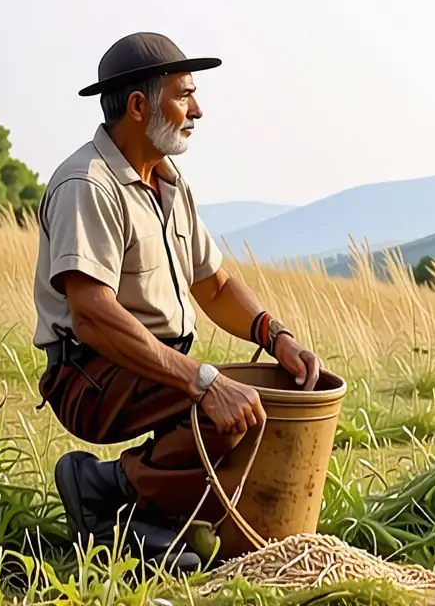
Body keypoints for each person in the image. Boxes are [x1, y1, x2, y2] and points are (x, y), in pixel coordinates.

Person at [33, 32, 326, 572]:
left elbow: (212, 285)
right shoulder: (87, 184)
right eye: (184, 95)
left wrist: (275, 336)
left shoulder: (168, 180)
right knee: (228, 409)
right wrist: (204, 381)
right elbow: (92, 316)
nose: (198, 110)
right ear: (140, 106)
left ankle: (143, 514)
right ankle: (103, 490)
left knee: (258, 400)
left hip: (146, 369)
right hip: (91, 375)